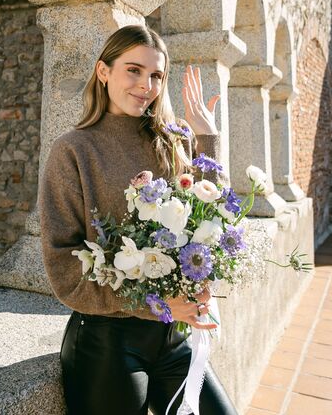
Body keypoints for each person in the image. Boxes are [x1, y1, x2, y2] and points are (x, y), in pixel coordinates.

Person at [39, 25, 239, 415]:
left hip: (174, 339)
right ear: (103, 72)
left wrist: (207, 140)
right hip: (107, 343)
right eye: (133, 70)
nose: (146, 85)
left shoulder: (172, 140)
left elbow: (214, 218)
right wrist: (158, 303)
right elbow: (63, 266)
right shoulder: (73, 151)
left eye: (156, 75)